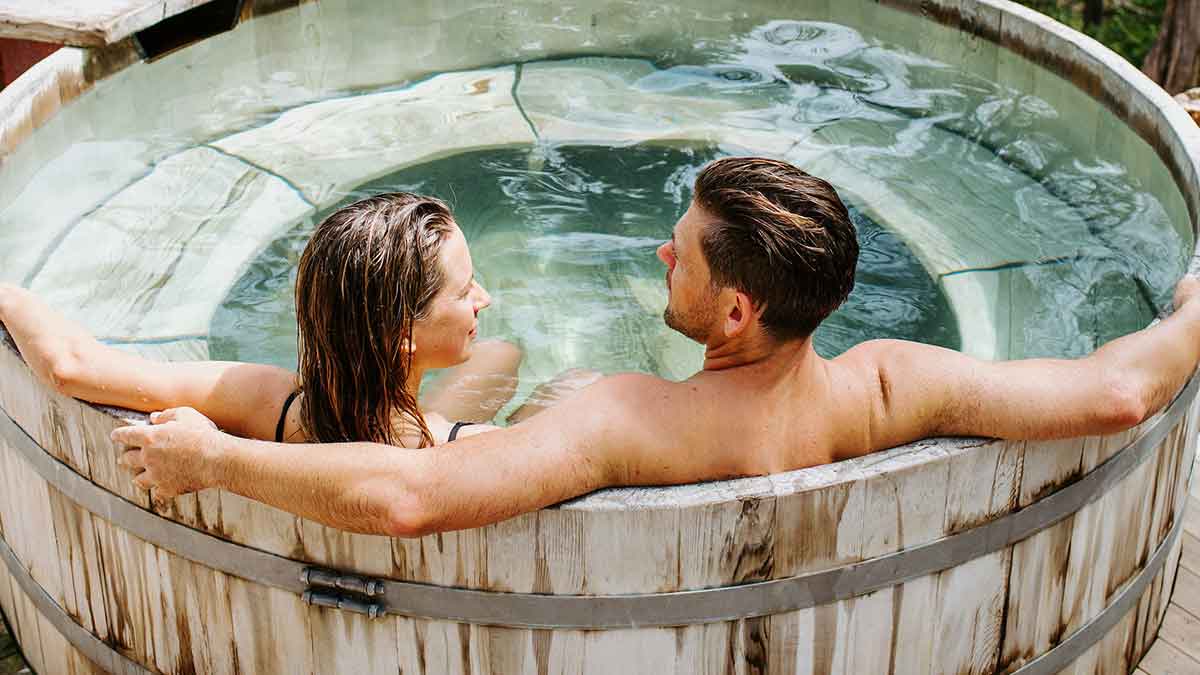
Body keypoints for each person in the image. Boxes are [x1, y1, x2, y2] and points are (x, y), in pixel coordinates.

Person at [109, 156, 1200, 537]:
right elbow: (1115, 394)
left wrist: (215, 461)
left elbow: (408, 500)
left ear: (737, 316)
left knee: (532, 378)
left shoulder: (627, 419)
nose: (659, 253)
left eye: (680, 255)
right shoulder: (888, 382)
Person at [0, 193, 527, 449]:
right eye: (463, 292)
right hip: (428, 429)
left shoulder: (267, 403)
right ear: (402, 336)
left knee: (500, 352)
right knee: (539, 369)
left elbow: (67, 366)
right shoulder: (460, 448)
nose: (484, 298)